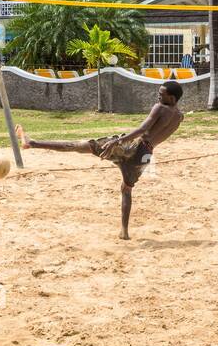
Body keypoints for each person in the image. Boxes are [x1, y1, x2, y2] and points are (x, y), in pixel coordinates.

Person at [17, 80, 184, 240]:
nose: (158, 96)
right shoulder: (179, 117)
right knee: (126, 189)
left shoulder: (160, 108)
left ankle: (32, 143)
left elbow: (142, 129)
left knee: (83, 146)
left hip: (132, 147)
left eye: (161, 94)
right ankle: (124, 231)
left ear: (172, 98)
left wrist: (117, 141)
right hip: (146, 155)